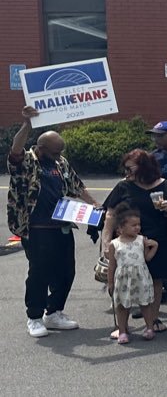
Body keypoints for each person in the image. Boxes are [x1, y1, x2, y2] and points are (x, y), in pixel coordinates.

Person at [9, 107, 97, 337]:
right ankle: (35, 317)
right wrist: (27, 125)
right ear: (41, 148)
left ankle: (54, 312)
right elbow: (15, 150)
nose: (59, 156)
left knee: (66, 271)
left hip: (61, 225)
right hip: (36, 227)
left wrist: (95, 206)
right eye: (55, 152)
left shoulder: (60, 163)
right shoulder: (26, 161)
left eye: (61, 152)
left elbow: (77, 187)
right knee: (40, 271)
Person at [103, 150, 167, 336]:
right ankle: (122, 326)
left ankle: (153, 319)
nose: (126, 172)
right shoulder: (123, 186)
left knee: (155, 280)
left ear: (144, 167)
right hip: (126, 242)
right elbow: (110, 213)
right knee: (123, 280)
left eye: (129, 167)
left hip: (157, 240)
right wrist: (106, 241)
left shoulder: (166, 186)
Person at [105, 204, 159, 344]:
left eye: (138, 225)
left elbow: (147, 258)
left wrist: (154, 246)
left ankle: (149, 327)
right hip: (123, 279)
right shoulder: (114, 244)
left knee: (145, 303)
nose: (137, 228)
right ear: (121, 228)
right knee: (122, 306)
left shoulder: (141, 240)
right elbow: (112, 266)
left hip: (141, 277)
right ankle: (122, 331)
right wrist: (110, 282)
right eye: (133, 225)